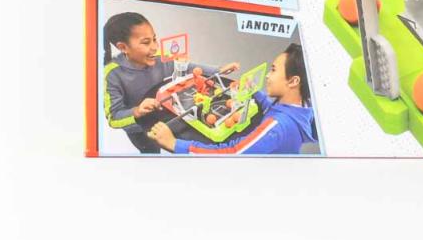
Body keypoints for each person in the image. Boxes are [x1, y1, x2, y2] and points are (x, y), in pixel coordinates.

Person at [101, 12, 237, 154]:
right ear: (123, 47)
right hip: (142, 130)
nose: (155, 47)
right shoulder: (111, 75)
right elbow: (113, 118)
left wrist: (218, 70)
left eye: (154, 39)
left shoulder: (159, 56)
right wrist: (137, 111)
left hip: (168, 117)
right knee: (151, 154)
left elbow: (188, 67)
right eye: (146, 42)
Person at [148, 43, 316, 156]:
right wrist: (254, 92)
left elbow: (232, 153)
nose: (267, 76)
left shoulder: (276, 128)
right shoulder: (300, 107)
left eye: (273, 70)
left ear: (293, 81)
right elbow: (274, 109)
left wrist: (175, 144)